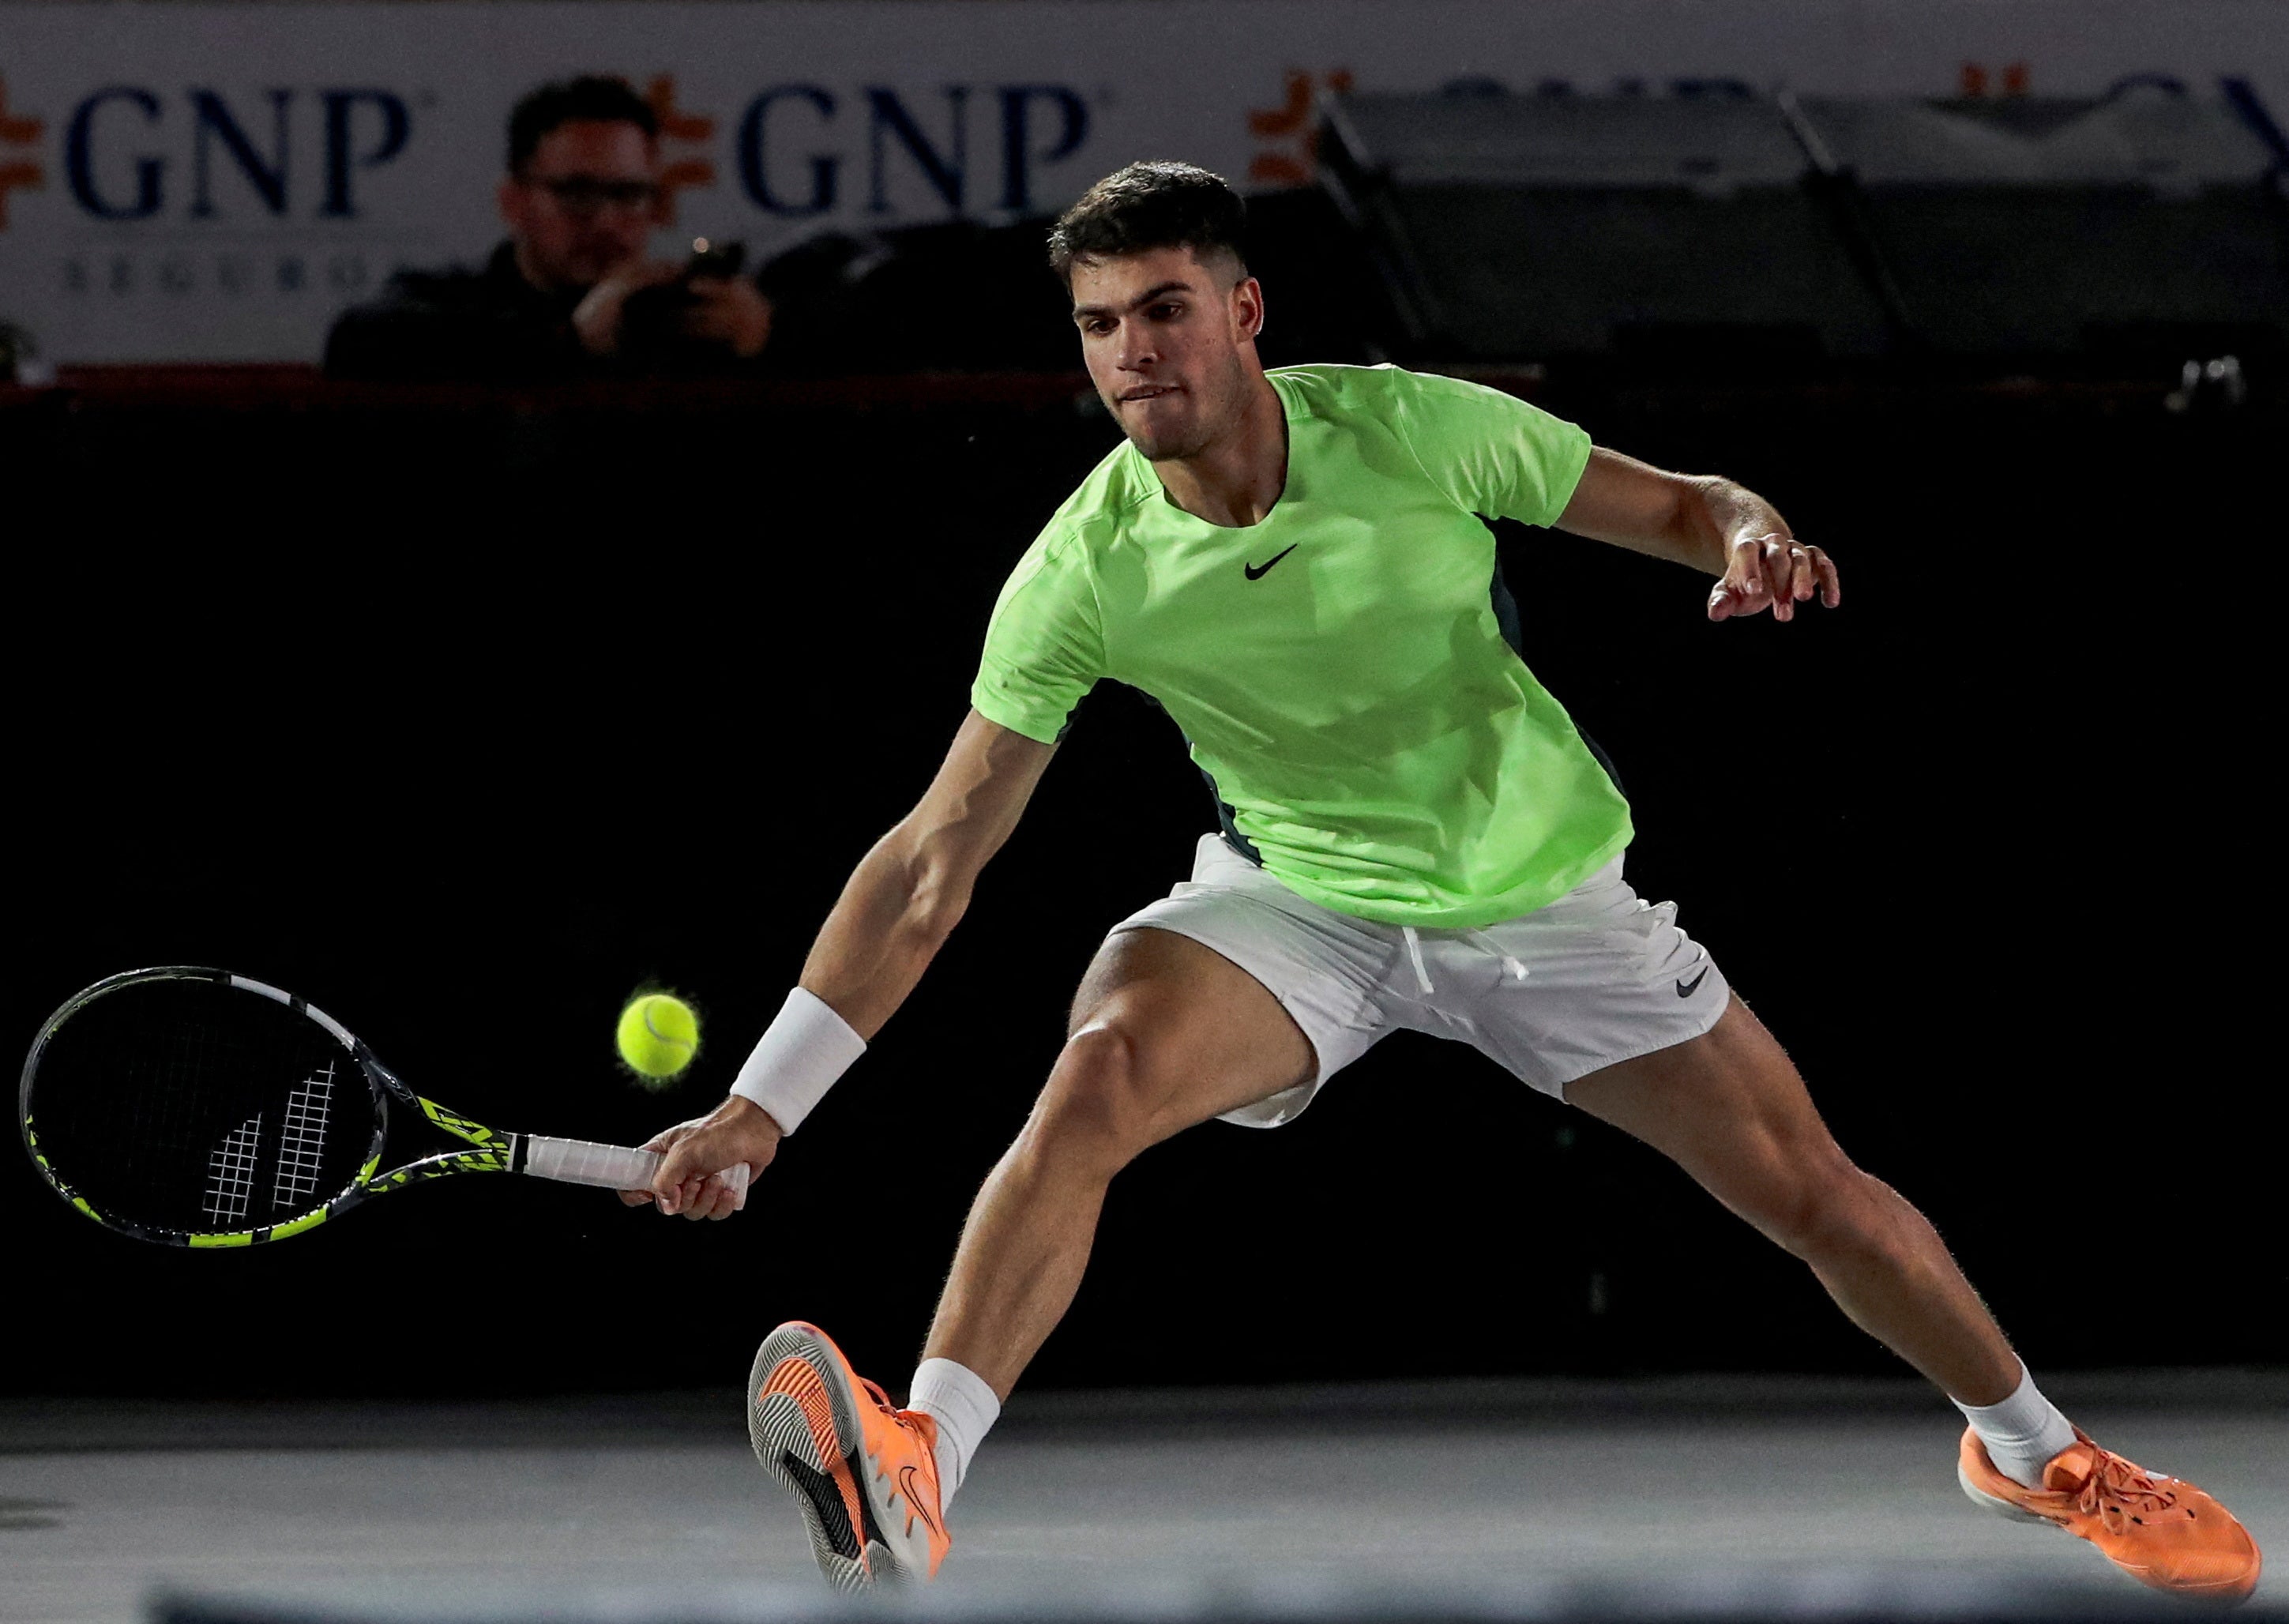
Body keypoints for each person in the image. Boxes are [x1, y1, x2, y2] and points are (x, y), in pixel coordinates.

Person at [625, 162, 2261, 1602]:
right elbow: (932, 858)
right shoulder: (1084, 567)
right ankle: (921, 1461)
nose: (1135, 352)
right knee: (1100, 1069)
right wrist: (762, 1108)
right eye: (1102, 324)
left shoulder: (1405, 425)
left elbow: (1688, 504)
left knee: (1817, 1196)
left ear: (1248, 311)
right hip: (1299, 904)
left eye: (1167, 309)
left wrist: (1751, 536)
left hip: (1542, 894)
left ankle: (2036, 1449)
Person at [323, 76, 770, 380]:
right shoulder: (456, 302)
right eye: (577, 194)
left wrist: (765, 333)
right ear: (513, 202)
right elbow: (359, 339)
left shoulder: (677, 312)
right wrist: (572, 342)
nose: (606, 221)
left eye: (630, 195)